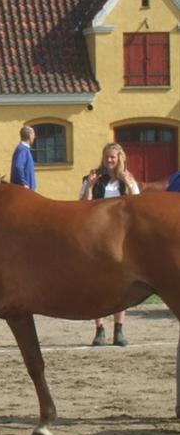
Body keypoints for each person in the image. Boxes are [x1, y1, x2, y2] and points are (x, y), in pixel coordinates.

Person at [78, 142, 140, 347]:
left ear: (120, 158)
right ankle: (99, 329)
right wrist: (90, 186)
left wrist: (129, 184)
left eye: (112, 157)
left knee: (119, 285)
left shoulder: (127, 179)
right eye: (106, 157)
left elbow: (139, 206)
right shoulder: (92, 178)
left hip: (120, 240)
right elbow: (82, 207)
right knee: (97, 284)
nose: (109, 160)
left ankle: (119, 329)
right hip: (96, 237)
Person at [9, 125, 37, 190]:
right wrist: (24, 183)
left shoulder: (24, 149)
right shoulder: (22, 149)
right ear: (29, 136)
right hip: (24, 191)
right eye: (33, 135)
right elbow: (18, 166)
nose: (34, 137)